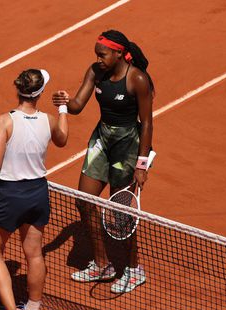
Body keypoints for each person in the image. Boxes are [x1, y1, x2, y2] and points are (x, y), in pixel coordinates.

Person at [0, 68, 68, 310]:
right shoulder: (48, 120)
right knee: (34, 253)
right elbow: (63, 139)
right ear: (39, 93)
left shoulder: (5, 121)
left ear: (19, 90)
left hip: (9, 196)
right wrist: (62, 110)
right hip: (38, 193)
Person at [52, 29, 154, 293]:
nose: (98, 59)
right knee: (84, 202)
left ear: (119, 53)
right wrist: (64, 104)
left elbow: (147, 124)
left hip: (127, 147)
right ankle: (102, 264)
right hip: (101, 140)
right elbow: (77, 105)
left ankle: (134, 271)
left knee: (121, 214)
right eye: (97, 54)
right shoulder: (96, 71)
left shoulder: (137, 80)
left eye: (103, 54)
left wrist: (142, 164)